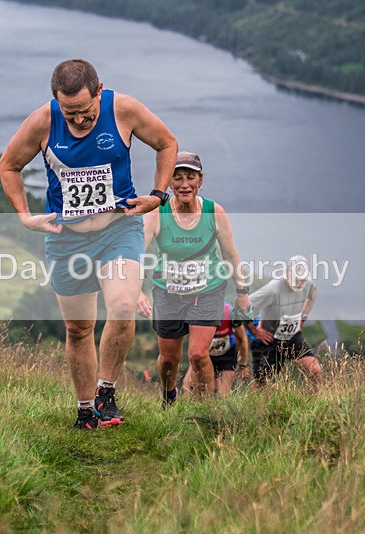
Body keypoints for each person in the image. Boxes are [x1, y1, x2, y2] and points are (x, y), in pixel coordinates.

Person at [0, 59, 177, 430]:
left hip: (118, 229)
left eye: (86, 111)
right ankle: (85, 412)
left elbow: (166, 143)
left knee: (123, 306)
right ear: (57, 103)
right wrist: (24, 216)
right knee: (79, 328)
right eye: (70, 113)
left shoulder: (122, 109)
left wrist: (158, 196)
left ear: (99, 91)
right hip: (67, 240)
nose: (79, 120)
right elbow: (8, 165)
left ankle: (106, 395)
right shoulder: (43, 122)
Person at [136, 151, 250, 406]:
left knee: (198, 355)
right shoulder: (158, 212)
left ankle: (207, 408)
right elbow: (138, 253)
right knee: (169, 359)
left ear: (201, 181)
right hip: (168, 293)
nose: (184, 184)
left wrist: (243, 291)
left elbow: (231, 255)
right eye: (177, 178)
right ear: (169, 182)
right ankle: (169, 396)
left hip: (207, 290)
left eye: (191, 177)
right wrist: (137, 291)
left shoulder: (214, 211)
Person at [248, 255, 322, 384]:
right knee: (263, 385)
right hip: (268, 338)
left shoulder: (308, 285)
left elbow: (313, 292)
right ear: (287, 273)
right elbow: (241, 307)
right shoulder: (273, 290)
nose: (300, 283)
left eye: (302, 280)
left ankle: (315, 402)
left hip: (291, 335)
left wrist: (302, 319)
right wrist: (254, 332)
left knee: (315, 371)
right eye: (296, 279)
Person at [181, 302, 249, 397]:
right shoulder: (198, 314)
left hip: (226, 356)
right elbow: (193, 348)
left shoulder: (230, 313)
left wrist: (243, 366)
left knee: (222, 395)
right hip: (206, 355)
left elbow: (242, 339)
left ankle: (218, 410)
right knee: (188, 386)